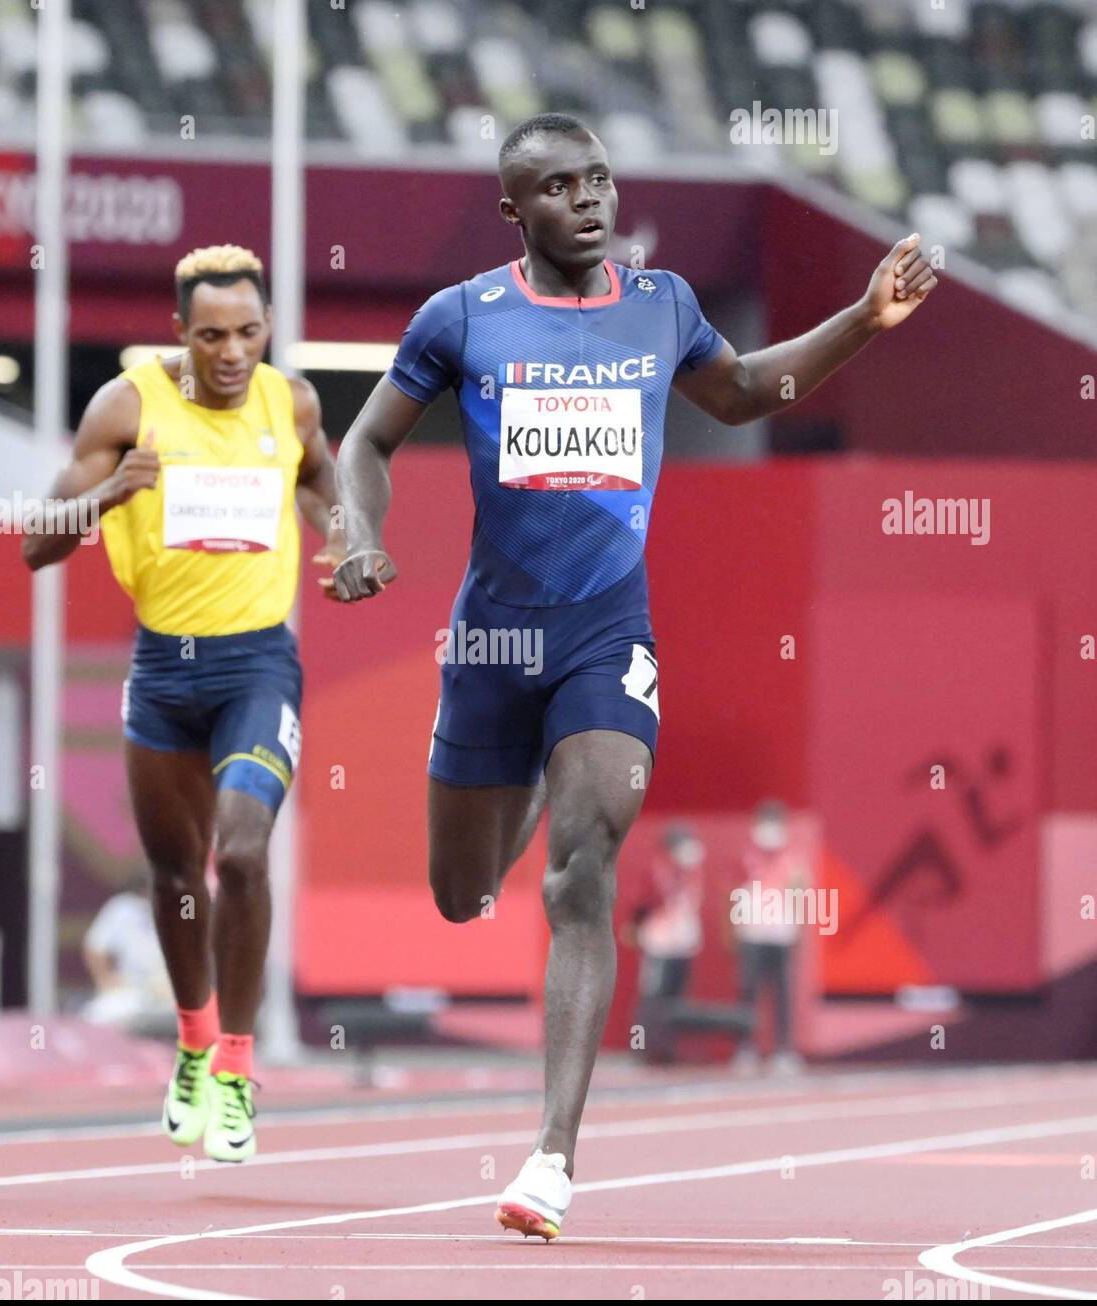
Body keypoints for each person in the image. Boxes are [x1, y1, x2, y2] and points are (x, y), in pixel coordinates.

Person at [331, 112, 936, 1238]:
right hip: (489, 643)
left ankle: (551, 1157)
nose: (589, 199)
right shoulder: (460, 317)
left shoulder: (662, 307)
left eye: (599, 178)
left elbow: (747, 391)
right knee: (461, 895)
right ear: (517, 212)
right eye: (558, 187)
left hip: (609, 634)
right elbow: (363, 444)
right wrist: (360, 537)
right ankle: (505, 797)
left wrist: (861, 318)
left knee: (585, 868)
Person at [22, 244, 343, 1162]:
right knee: (173, 876)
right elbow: (34, 547)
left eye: (249, 332)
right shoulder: (127, 407)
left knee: (241, 854)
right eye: (212, 337)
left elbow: (318, 475)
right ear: (179, 335)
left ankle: (237, 1070)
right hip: (163, 671)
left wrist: (344, 532)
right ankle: (195, 1041)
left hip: (257, 667)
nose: (233, 353)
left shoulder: (293, 401)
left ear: (267, 328)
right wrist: (109, 494)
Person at [730, 801, 811, 1076]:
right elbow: (732, 894)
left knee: (782, 995)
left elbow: (800, 894)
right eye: (764, 823)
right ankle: (745, 1048)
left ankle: (783, 1051)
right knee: (748, 992)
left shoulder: (793, 859)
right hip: (752, 932)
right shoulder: (746, 857)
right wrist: (733, 929)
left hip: (780, 934)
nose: (769, 831)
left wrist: (799, 931)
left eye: (774, 824)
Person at [626, 822, 705, 1063]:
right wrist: (636, 928)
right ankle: (639, 1047)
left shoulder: (690, 874)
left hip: (681, 946)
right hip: (659, 944)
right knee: (652, 997)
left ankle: (666, 1048)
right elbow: (640, 904)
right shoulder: (656, 871)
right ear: (672, 848)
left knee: (675, 999)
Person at [80, 874, 172, 1028]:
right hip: (131, 991)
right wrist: (105, 980)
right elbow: (94, 947)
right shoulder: (123, 909)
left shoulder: (183, 909)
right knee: (100, 1014)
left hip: (170, 996)